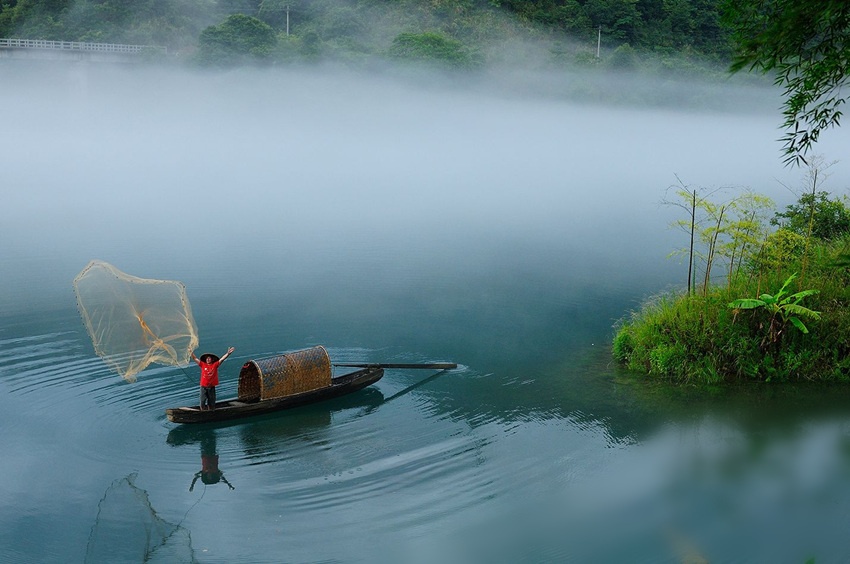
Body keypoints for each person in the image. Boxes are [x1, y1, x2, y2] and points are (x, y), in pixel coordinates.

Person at [191, 346, 235, 411]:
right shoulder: (202, 364)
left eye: (209, 358)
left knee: (211, 402)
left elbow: (222, 359)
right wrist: (190, 352)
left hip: (211, 387)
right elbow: (194, 358)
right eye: (207, 358)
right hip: (203, 387)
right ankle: (203, 412)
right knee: (202, 402)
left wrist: (228, 354)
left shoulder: (215, 365)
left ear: (212, 359)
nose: (208, 359)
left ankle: (210, 412)